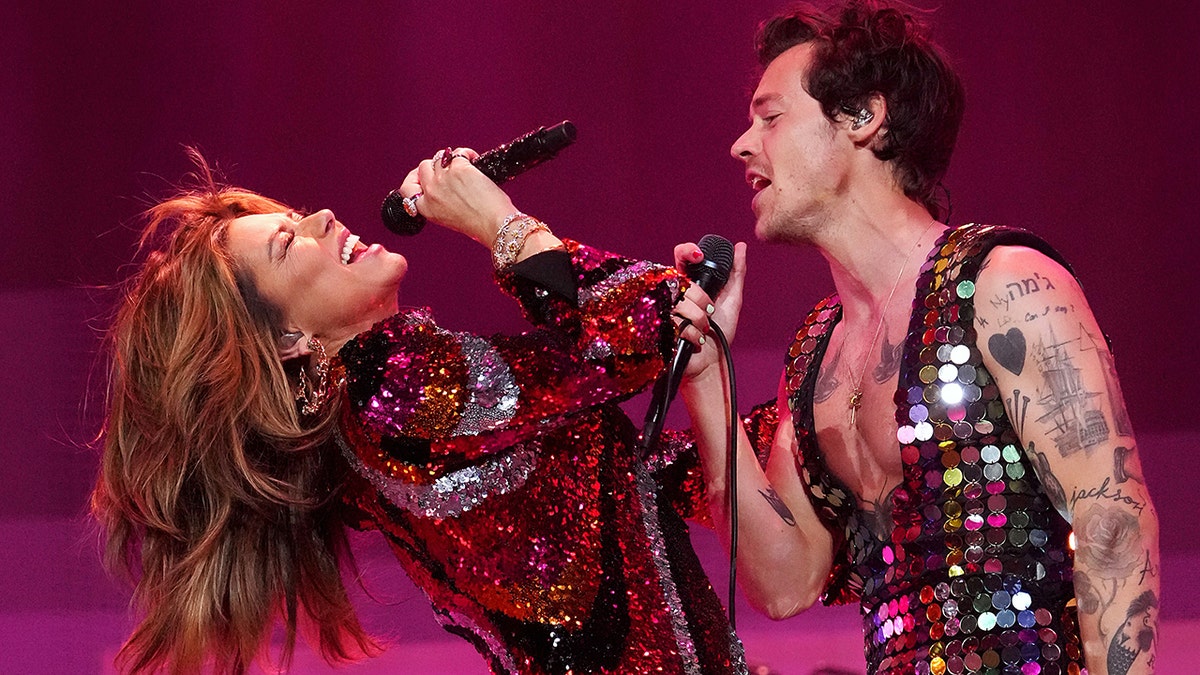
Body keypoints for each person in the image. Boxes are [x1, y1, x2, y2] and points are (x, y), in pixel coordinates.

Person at [92, 147, 748, 675]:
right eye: (290, 243)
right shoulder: (389, 390)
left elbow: (616, 482)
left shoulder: (373, 419)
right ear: (287, 340)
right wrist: (497, 219)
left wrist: (792, 444)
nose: (321, 216)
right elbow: (639, 331)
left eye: (298, 214)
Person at [674, 2, 1160, 674]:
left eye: (771, 115)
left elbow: (1112, 525)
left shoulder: (1003, 284)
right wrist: (708, 381)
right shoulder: (817, 352)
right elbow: (782, 584)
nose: (742, 142)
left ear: (862, 117)